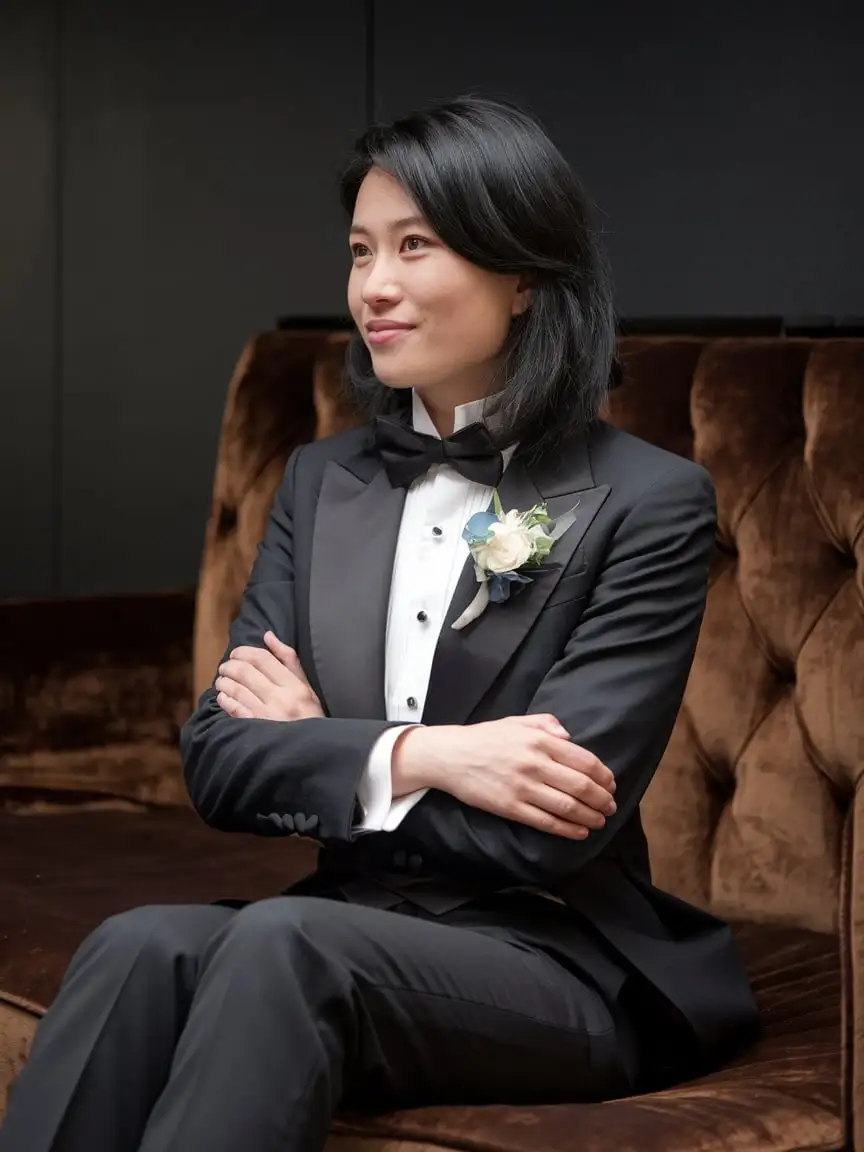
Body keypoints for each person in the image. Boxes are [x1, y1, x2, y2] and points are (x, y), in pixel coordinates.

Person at [0, 96, 759, 1152]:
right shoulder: (322, 481)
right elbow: (218, 763)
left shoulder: (648, 501)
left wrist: (324, 751)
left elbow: (546, 826)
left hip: (559, 956)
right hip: (354, 924)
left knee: (285, 941)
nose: (374, 287)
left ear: (525, 275)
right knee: (137, 946)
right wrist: (428, 754)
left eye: (416, 245)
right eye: (360, 251)